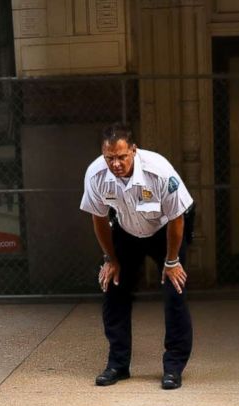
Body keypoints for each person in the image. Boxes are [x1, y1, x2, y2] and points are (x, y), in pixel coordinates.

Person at [79, 122, 194, 389]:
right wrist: (110, 258)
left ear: (134, 150)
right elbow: (99, 218)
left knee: (174, 293)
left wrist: (172, 260)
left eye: (121, 157)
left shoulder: (159, 171)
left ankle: (173, 367)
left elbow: (178, 218)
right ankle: (117, 365)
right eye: (109, 158)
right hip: (126, 229)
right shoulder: (95, 175)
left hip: (166, 228)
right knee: (114, 290)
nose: (115, 164)